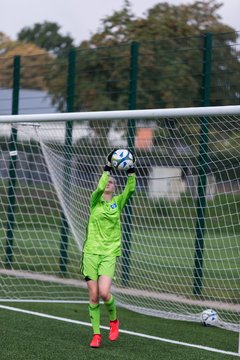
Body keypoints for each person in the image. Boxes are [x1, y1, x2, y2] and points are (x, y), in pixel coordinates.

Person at [81, 149, 136, 348]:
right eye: (107, 181)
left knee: (105, 293)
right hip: (90, 253)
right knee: (94, 295)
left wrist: (131, 171)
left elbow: (130, 190)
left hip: (109, 253)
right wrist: (107, 168)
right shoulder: (94, 200)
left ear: (115, 187)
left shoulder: (117, 203)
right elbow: (100, 185)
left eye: (112, 181)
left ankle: (114, 322)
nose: (109, 183)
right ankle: (96, 335)